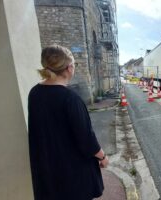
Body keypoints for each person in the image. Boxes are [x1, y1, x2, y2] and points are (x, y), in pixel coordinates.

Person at [28, 44, 108, 200]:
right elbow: (86, 139)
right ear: (69, 68)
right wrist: (103, 157)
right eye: (74, 64)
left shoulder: (35, 92)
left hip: (46, 171)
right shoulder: (70, 99)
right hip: (72, 175)